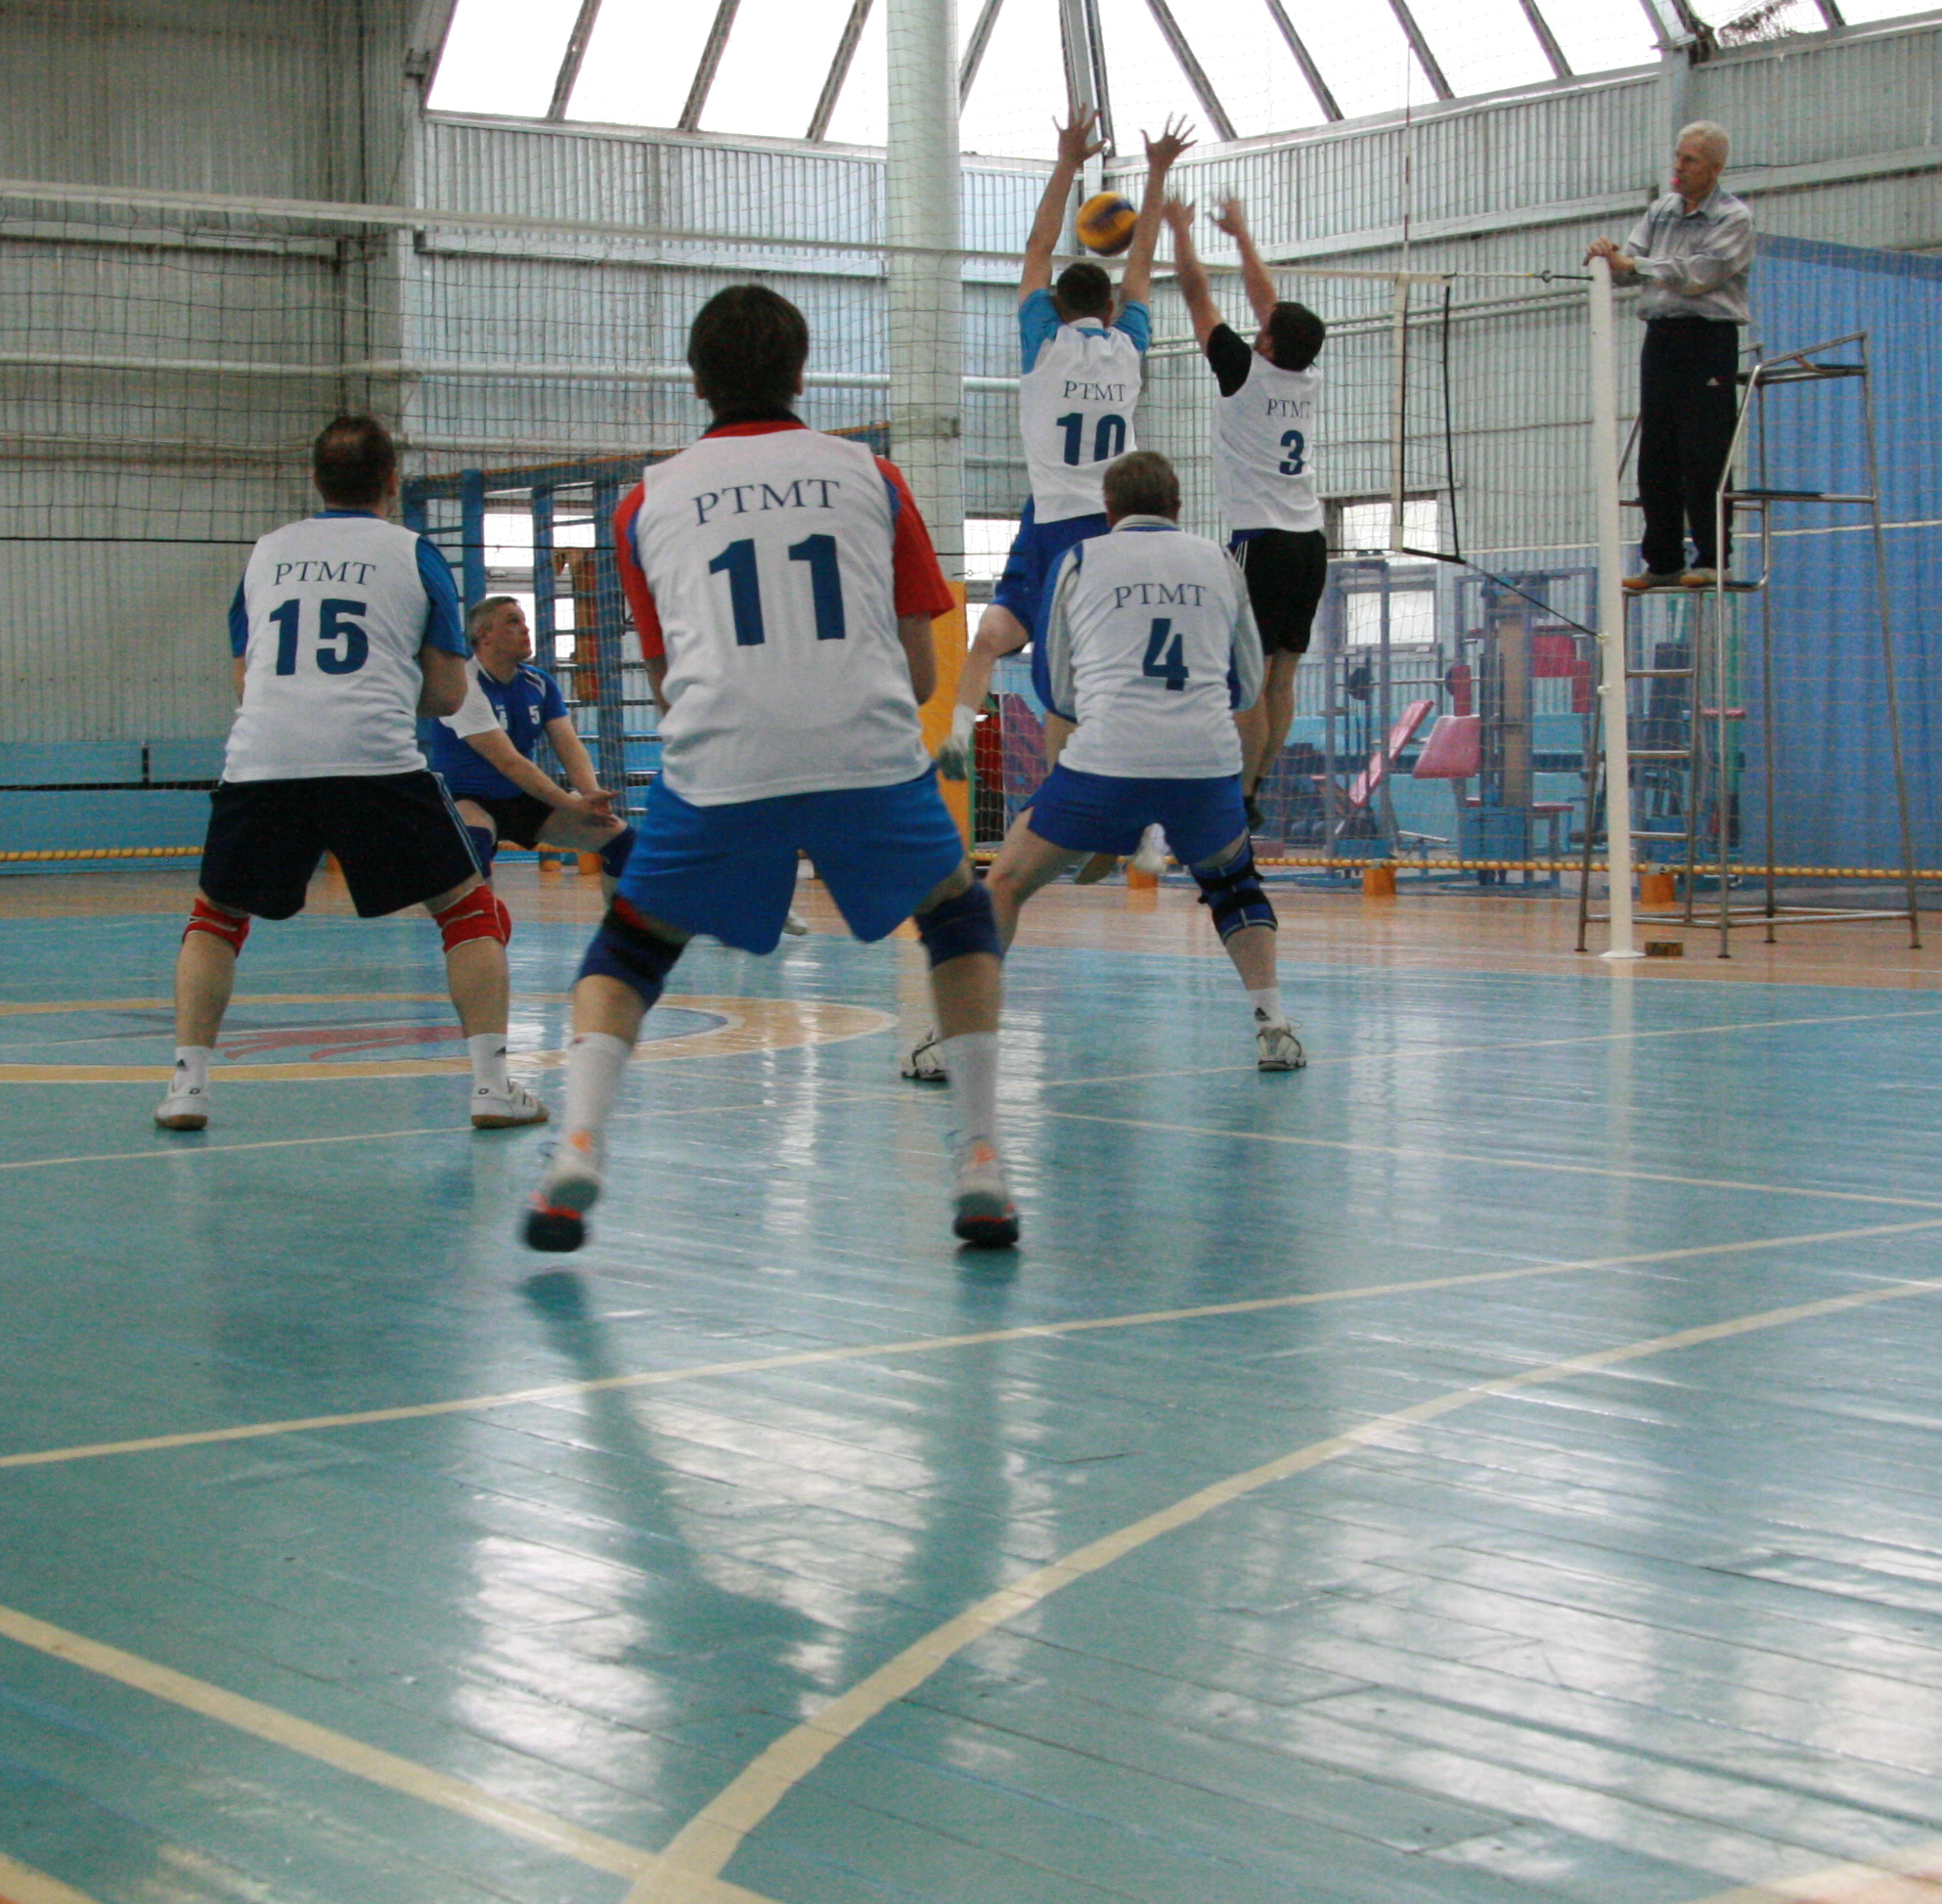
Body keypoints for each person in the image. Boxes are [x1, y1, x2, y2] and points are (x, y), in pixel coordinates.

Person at [521, 284, 1016, 1254]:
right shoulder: (873, 477)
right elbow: (922, 670)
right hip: (865, 748)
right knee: (957, 911)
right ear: (802, 373)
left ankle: (578, 1142)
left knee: (630, 946)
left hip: (723, 751)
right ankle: (983, 1157)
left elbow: (667, 684)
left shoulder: (644, 503)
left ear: (698, 384)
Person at [158, 413, 544, 1137]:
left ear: (314, 480)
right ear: (392, 482)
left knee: (215, 916)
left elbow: (247, 681)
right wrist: (390, 694)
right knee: (469, 911)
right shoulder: (413, 553)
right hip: (373, 758)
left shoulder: (266, 553)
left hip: (266, 758)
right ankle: (493, 1085)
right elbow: (451, 695)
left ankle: (188, 1087)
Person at [989, 450, 1303, 1071]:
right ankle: (1274, 1026)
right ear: (1178, 508)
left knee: (1002, 883)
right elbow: (1246, 682)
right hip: (1205, 762)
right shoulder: (1218, 561)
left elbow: (1057, 687)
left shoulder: (1077, 558)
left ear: (1106, 512)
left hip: (1107, 760)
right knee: (1234, 883)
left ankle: (955, 1036)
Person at [943, 109, 1195, 771]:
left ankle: (957, 731)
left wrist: (1064, 163)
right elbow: (1141, 266)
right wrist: (1159, 173)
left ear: (1055, 305)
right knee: (1091, 678)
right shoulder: (1127, 347)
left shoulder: (1044, 344)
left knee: (996, 640)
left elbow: (1035, 250)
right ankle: (1110, 801)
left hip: (1052, 520)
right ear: (1110, 309)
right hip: (1112, 527)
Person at [1164, 193, 1328, 793]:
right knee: (1282, 679)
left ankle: (1242, 794)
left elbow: (1195, 295)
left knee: (1251, 680)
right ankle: (1259, 780)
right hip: (1312, 541)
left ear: (1267, 345)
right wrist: (1241, 235)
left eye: (1264, 332)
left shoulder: (1244, 370)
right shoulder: (1307, 377)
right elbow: (1271, 307)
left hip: (1262, 541)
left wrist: (1180, 231)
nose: (1259, 330)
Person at [1585, 120, 1754, 587]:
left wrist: (1634, 263)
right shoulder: (1661, 212)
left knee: (1704, 449)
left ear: (1714, 167)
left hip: (1707, 340)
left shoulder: (1733, 218)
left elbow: (1700, 273)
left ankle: (1711, 557)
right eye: (1678, 157)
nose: (1678, 167)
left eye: (1690, 160)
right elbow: (1628, 264)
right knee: (1657, 449)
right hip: (1660, 337)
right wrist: (1607, 253)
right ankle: (1661, 560)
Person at [432, 593, 633, 881]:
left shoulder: (538, 682)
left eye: (525, 621)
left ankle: (619, 927)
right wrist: (570, 805)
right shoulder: (464, 683)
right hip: (467, 798)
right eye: (513, 621)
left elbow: (569, 747)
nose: (526, 629)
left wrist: (591, 798)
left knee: (623, 841)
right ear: (484, 635)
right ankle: (482, 924)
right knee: (471, 855)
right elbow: (509, 762)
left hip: (520, 797)